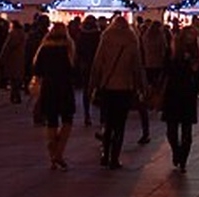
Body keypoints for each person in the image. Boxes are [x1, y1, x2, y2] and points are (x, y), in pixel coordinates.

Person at [89, 15, 145, 170]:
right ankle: (114, 158)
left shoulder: (106, 38)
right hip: (125, 87)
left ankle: (105, 155)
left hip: (107, 86)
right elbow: (137, 66)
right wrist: (140, 86)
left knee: (108, 122)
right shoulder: (131, 39)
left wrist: (93, 84)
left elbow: (97, 63)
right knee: (120, 124)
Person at [33, 22, 76, 170]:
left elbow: (37, 70)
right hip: (65, 88)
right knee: (67, 120)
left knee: (51, 121)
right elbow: (73, 70)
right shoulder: (68, 49)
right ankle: (59, 151)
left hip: (48, 87)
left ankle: (53, 155)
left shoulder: (44, 49)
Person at [162, 25, 199, 173]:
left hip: (187, 92)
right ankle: (176, 151)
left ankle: (183, 157)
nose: (191, 38)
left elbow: (198, 72)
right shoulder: (173, 50)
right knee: (171, 129)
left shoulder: (195, 52)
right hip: (174, 91)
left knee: (186, 128)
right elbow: (166, 68)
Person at [75, 15, 101, 126]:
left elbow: (78, 52)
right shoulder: (99, 36)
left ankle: (87, 115)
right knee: (99, 88)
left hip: (85, 65)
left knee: (86, 90)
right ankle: (102, 117)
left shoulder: (81, 36)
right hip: (97, 65)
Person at [0, 20, 26, 104]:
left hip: (12, 58)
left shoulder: (13, 34)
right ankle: (16, 95)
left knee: (13, 78)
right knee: (17, 77)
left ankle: (14, 95)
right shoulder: (23, 34)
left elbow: (7, 46)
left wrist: (1, 58)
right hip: (20, 58)